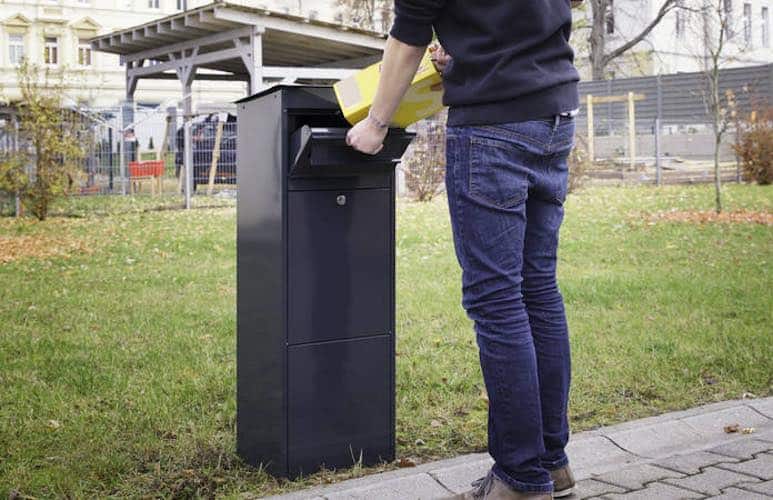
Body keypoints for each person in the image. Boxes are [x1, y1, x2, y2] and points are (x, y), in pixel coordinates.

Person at [346, 1, 581, 498]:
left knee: (497, 301)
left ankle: (520, 478)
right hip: (555, 115)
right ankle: (552, 464)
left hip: (494, 126)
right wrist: (473, 51)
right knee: (537, 289)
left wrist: (377, 123)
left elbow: (407, 39)